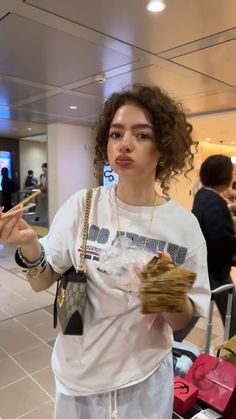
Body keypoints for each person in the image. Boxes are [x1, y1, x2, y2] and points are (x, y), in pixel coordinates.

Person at [0, 84, 210, 419]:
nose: (125, 144)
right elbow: (43, 281)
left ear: (163, 148)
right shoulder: (83, 206)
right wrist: (28, 243)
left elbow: (183, 320)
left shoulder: (183, 227)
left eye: (142, 135)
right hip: (78, 377)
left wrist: (161, 287)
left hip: (143, 380)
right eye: (116, 134)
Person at [176, 155, 236, 341]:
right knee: (195, 312)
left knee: (226, 310)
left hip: (207, 266)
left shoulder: (203, 196)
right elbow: (221, 241)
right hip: (213, 269)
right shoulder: (214, 203)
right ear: (225, 176)